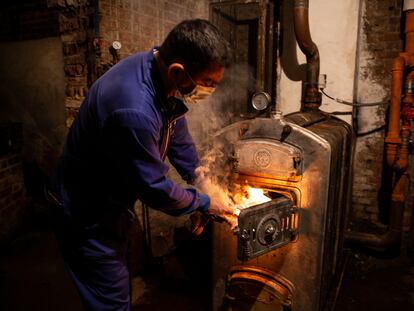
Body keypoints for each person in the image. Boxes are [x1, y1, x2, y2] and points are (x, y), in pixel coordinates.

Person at [51, 19, 231, 310]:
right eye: (207, 83)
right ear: (178, 71)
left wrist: (200, 176)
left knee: (119, 277)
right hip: (87, 211)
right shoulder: (134, 110)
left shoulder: (157, 69)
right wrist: (203, 201)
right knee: (111, 301)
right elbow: (154, 188)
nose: (209, 90)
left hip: (111, 203)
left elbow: (177, 135)